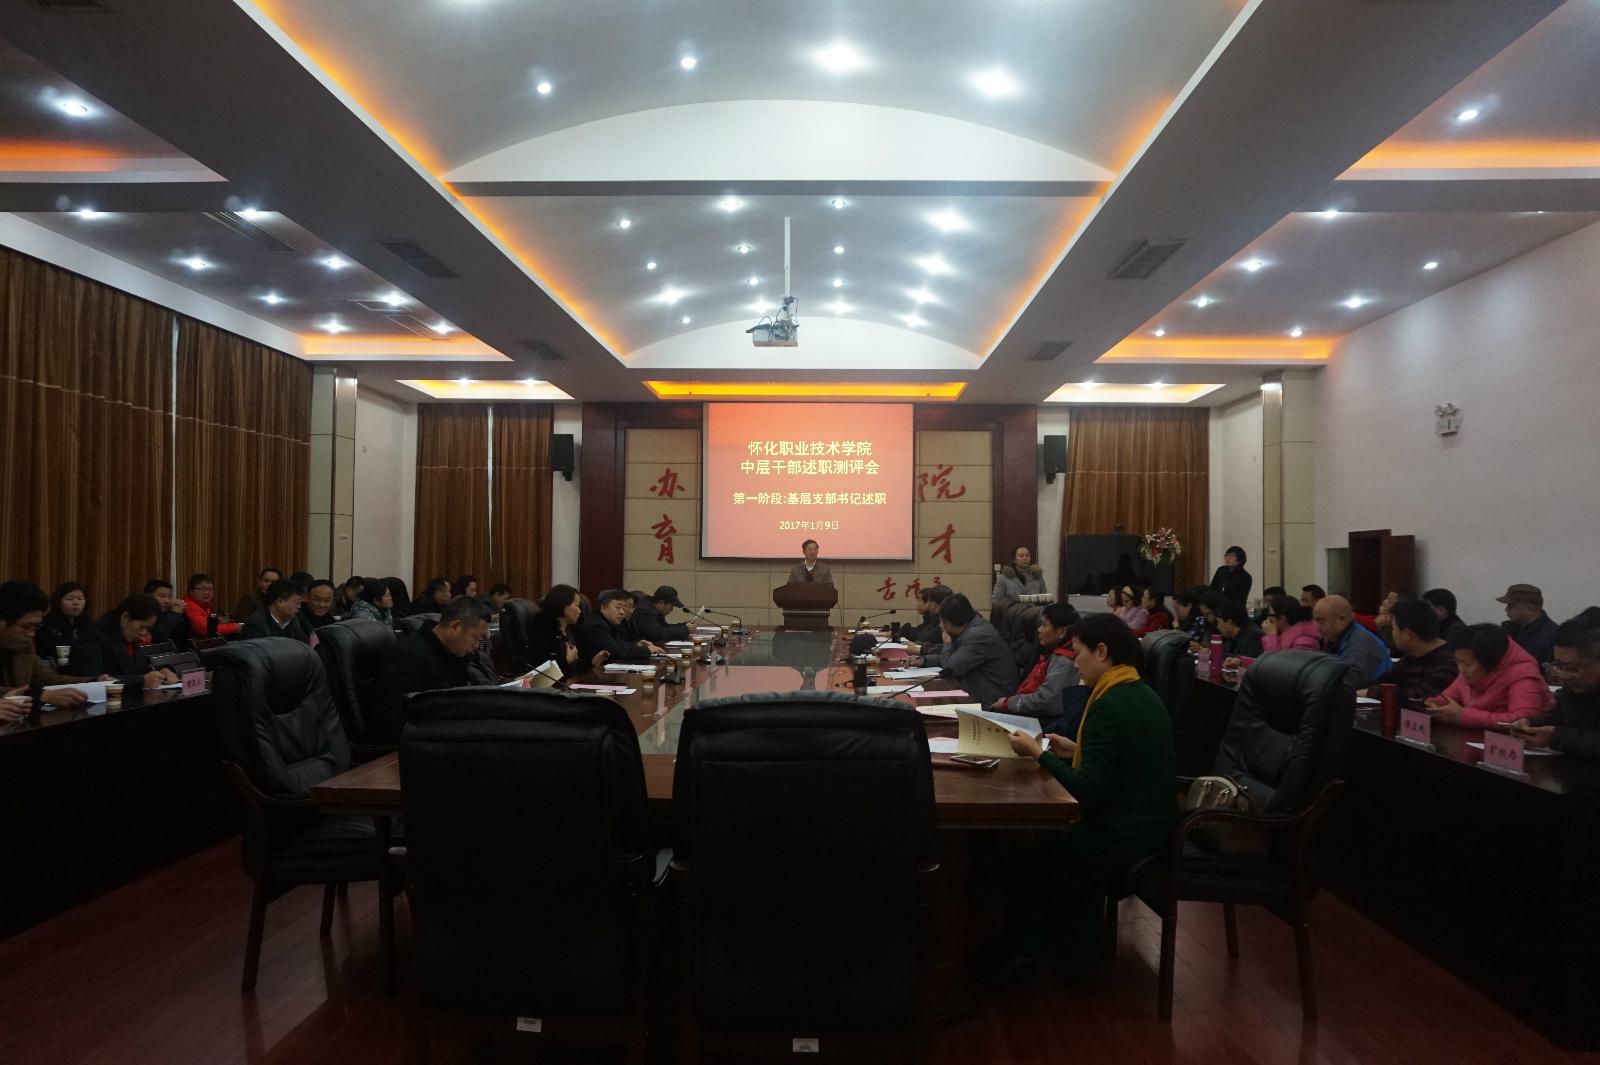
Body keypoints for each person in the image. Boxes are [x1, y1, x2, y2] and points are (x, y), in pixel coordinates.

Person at [1002, 613, 1176, 980]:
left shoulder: (1108, 704)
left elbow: (1086, 791)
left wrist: (1037, 753)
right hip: (1154, 824)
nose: (1074, 662)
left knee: (1033, 845)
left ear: (1101, 651)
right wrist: (1075, 749)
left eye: (1079, 653)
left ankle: (1029, 953)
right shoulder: (1139, 691)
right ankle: (1060, 945)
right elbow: (1123, 757)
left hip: (1123, 834)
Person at [377, 595, 494, 740]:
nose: (476, 645)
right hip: (418, 742)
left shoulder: (452, 653)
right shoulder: (408, 657)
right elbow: (400, 722)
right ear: (455, 627)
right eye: (475, 638)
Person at [1426, 624, 1554, 727]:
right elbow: (1446, 699)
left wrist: (1462, 716)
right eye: (1458, 661)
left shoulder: (1523, 674)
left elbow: (1522, 719)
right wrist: (1433, 706)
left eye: (1468, 663)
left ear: (1490, 661)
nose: (1462, 669)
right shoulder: (1469, 671)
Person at [909, 593, 1020, 707]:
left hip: (991, 702)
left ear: (950, 622)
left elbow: (950, 668)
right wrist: (924, 660)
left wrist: (948, 643)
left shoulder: (978, 635)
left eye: (941, 621)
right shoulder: (971, 628)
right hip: (975, 693)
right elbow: (953, 657)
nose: (940, 626)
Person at [1514, 618, 1600, 757]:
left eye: (1573, 668)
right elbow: (1556, 717)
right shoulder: (1573, 689)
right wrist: (1530, 724)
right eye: (1560, 666)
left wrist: (1557, 737)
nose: (1565, 675)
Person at [1, 581, 88, 709]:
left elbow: (46, 679)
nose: (31, 634)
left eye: (36, 627)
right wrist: (39, 695)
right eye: (26, 626)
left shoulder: (25, 645)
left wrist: (93, 681)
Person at [67, 595, 180, 689]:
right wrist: (141, 681)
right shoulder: (92, 640)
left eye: (147, 628)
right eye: (142, 627)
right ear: (125, 618)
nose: (144, 633)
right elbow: (92, 681)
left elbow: (141, 670)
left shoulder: (128, 636)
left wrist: (161, 673)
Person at [992, 603, 1080, 721]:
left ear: (1062, 631)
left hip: (1044, 724)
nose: (1039, 630)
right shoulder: (1053, 654)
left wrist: (1008, 703)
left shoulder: (1065, 661)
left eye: (1044, 625)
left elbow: (1047, 701)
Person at [1383, 598, 1459, 701]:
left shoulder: (1449, 661)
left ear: (1407, 634)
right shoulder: (1409, 658)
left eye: (1393, 629)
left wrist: (1375, 692)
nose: (1392, 633)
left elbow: (1423, 698)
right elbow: (1383, 683)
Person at [1313, 595, 1390, 686]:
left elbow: (1348, 684)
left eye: (1321, 621)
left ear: (1342, 619)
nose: (1317, 627)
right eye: (1315, 621)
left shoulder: (1361, 643)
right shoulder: (1335, 640)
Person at [576, 589, 663, 663]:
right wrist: (647, 650)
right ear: (603, 608)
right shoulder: (595, 625)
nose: (622, 612)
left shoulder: (609, 623)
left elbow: (619, 644)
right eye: (618, 608)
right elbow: (614, 651)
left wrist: (636, 644)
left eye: (623, 608)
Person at [526, 584, 593, 675]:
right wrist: (566, 662)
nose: (579, 611)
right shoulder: (543, 633)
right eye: (577, 605)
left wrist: (594, 663)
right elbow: (540, 676)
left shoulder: (572, 631)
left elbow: (579, 669)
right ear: (563, 605)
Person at [1498, 583, 1559, 666]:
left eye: (1511, 606)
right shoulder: (1507, 631)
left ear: (1529, 609)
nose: (1506, 609)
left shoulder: (1553, 637)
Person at [240, 580, 312, 643]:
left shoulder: (293, 620)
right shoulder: (255, 625)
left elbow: (304, 645)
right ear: (280, 602)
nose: (299, 607)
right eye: (297, 603)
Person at [35, 582, 91, 663]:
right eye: (70, 599)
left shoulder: (86, 621)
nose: (76, 603)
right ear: (58, 601)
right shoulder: (49, 622)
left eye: (80, 599)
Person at [182, 573, 241, 637]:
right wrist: (235, 627)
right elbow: (205, 629)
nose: (207, 592)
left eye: (210, 589)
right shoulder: (189, 606)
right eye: (201, 589)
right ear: (191, 591)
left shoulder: (204, 605)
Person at [902, 584, 953, 653]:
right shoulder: (941, 617)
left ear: (934, 604)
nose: (928, 605)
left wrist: (920, 649)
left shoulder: (948, 620)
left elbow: (925, 638)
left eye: (929, 602)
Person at [143, 579, 192, 646]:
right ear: (148, 596)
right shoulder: (142, 613)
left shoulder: (169, 612)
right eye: (162, 596)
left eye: (169, 597)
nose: (167, 601)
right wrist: (174, 614)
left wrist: (181, 614)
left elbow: (185, 636)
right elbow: (157, 637)